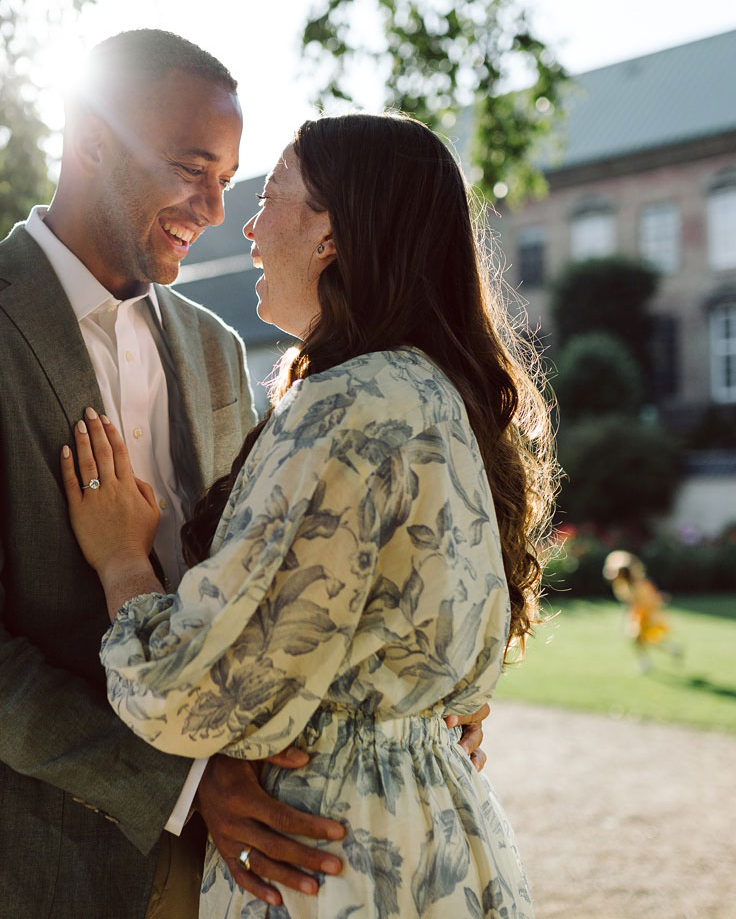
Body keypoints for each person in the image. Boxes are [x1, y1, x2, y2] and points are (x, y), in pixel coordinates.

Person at [0, 32, 487, 918]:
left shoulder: (219, 350)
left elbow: (279, 584)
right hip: (11, 865)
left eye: (231, 177)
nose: (216, 207)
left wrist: (418, 702)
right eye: (193, 168)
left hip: (218, 881)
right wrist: (182, 785)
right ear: (91, 141)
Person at [60, 112, 555, 918]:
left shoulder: (349, 405)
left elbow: (195, 695)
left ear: (332, 232)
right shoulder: (433, 393)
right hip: (439, 841)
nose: (247, 227)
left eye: (272, 197)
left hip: (325, 857)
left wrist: (121, 560)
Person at [603, 550, 683, 673]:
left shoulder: (639, 585)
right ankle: (668, 651)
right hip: (639, 615)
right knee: (642, 640)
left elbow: (648, 602)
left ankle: (651, 659)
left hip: (646, 616)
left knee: (643, 639)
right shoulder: (622, 585)